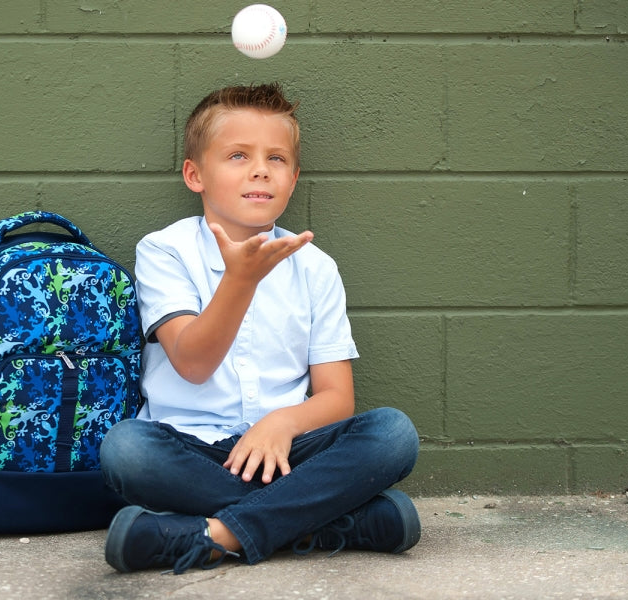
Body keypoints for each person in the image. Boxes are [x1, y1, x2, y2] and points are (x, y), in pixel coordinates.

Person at [99, 83, 420, 575]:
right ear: (195, 174)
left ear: (293, 179)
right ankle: (330, 522)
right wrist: (240, 280)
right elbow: (192, 362)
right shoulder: (165, 251)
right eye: (237, 155)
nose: (259, 170)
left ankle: (211, 536)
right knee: (126, 450)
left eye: (276, 158)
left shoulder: (315, 267)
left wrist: (282, 423)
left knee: (394, 433)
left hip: (289, 450)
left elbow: (337, 398)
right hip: (191, 449)